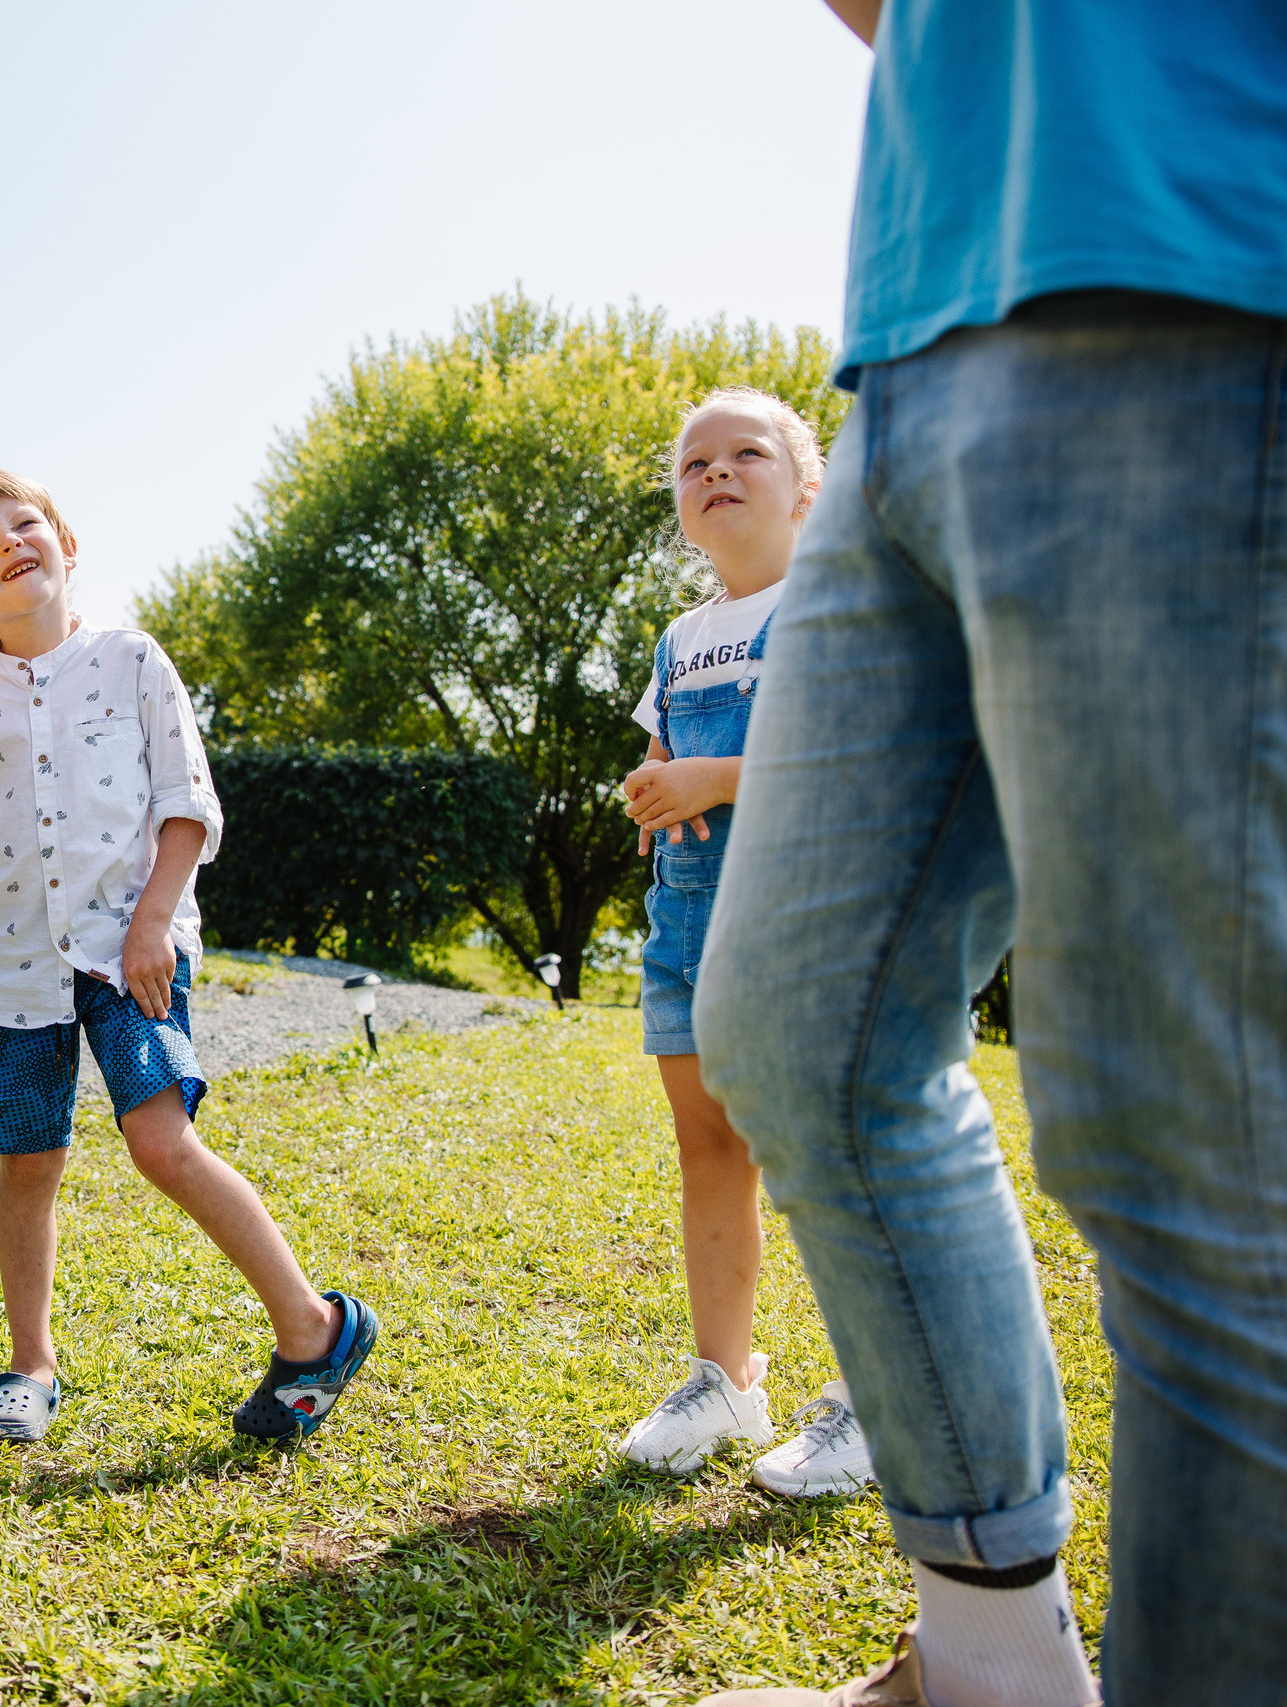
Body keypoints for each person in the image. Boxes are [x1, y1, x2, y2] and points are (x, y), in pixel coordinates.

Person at [694, 5, 1287, 1703]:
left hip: (1199, 264)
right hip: (910, 341)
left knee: (1199, 1132)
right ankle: (991, 1665)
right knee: (805, 1036)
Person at [0, 468, 379, 1447]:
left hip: (133, 953)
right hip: (9, 969)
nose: (10, 545)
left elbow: (187, 802)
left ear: (64, 540)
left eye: (23, 523)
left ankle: (314, 1328)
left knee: (162, 1143)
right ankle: (29, 1366)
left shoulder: (130, 661)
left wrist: (150, 924)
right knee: (28, 1160)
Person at [615, 391, 874, 1500]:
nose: (715, 472)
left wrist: (712, 779)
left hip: (807, 916)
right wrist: (653, 796)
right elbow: (668, 763)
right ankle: (724, 1379)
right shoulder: (678, 640)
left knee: (836, 1158)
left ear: (808, 487)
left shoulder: (838, 607)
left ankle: (879, 1399)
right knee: (709, 1146)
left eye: (745, 454)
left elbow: (856, 759)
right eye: (692, 465)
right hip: (687, 922)